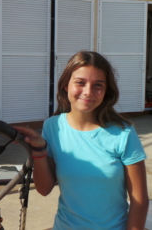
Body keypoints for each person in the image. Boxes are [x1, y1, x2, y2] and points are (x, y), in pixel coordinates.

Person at [15, 51, 149, 230]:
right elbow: (44, 189)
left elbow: (139, 200)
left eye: (98, 85)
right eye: (80, 82)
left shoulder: (123, 132)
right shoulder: (52, 127)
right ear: (65, 85)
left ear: (106, 91)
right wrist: (39, 150)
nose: (88, 92)